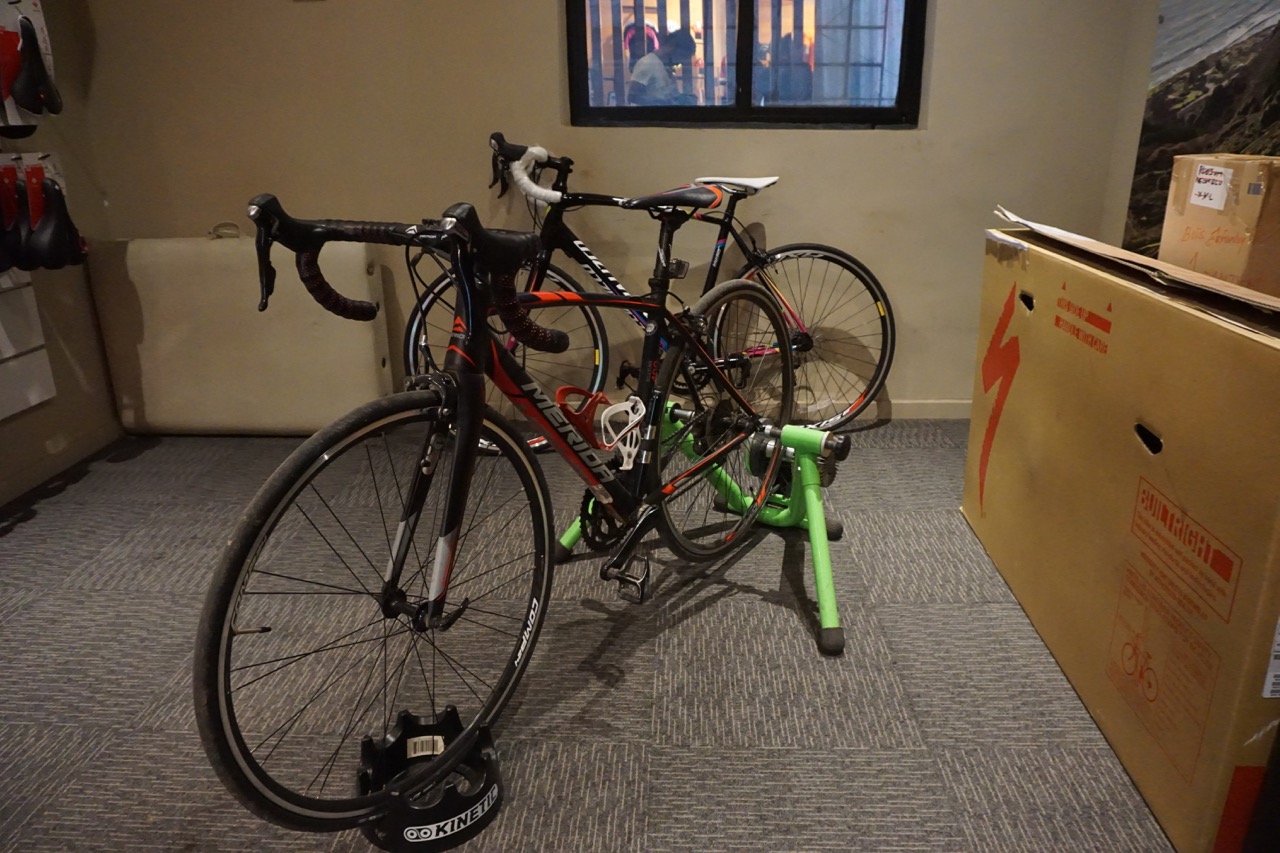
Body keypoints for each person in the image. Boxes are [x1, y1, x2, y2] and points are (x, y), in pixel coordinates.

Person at [627, 28, 696, 106]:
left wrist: (682, 99)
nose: (680, 62)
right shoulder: (647, 63)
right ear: (671, 47)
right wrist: (661, 102)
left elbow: (668, 96)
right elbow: (632, 97)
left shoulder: (666, 67)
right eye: (681, 57)